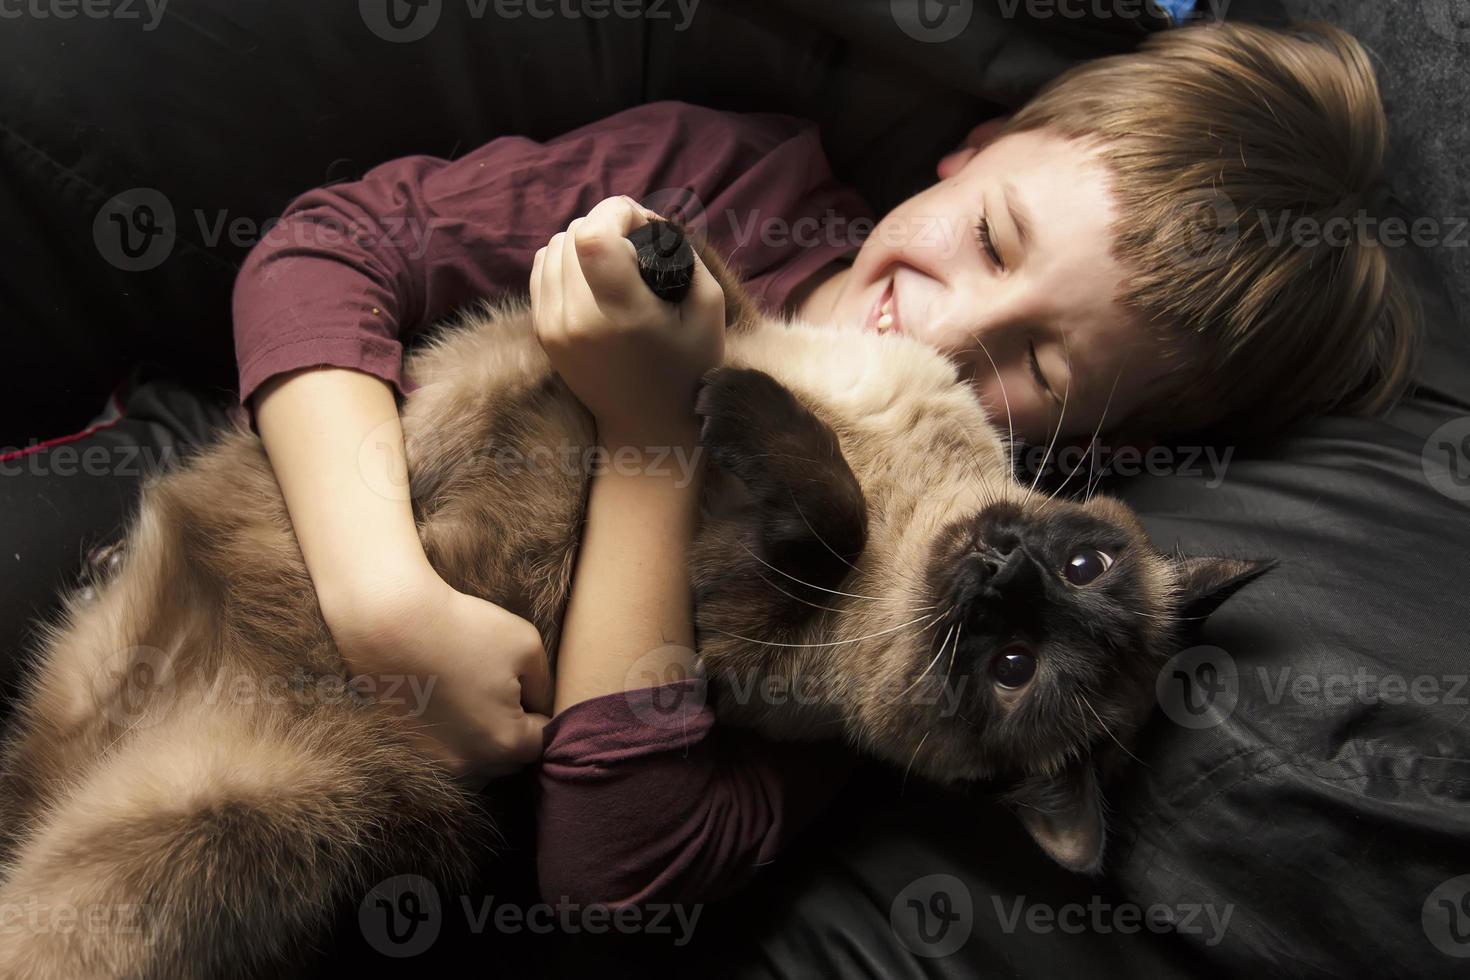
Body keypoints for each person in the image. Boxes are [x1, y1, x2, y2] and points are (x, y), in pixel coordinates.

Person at [231, 20, 1418, 904]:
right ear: (975, 148)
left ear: (1110, 444)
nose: (953, 325)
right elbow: (332, 248)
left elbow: (615, 880)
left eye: (1039, 371)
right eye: (994, 238)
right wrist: (378, 588)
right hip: (254, 510)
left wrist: (649, 434)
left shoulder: (904, 637)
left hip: (299, 778)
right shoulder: (734, 183)